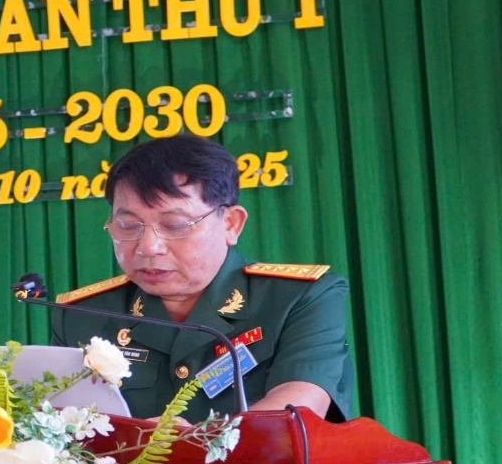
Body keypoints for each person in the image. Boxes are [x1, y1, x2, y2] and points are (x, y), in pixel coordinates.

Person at [50, 135, 352, 423]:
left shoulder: (298, 298)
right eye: (128, 226)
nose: (148, 247)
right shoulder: (81, 316)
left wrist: (192, 442)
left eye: (175, 225)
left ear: (231, 224)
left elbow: (298, 407)